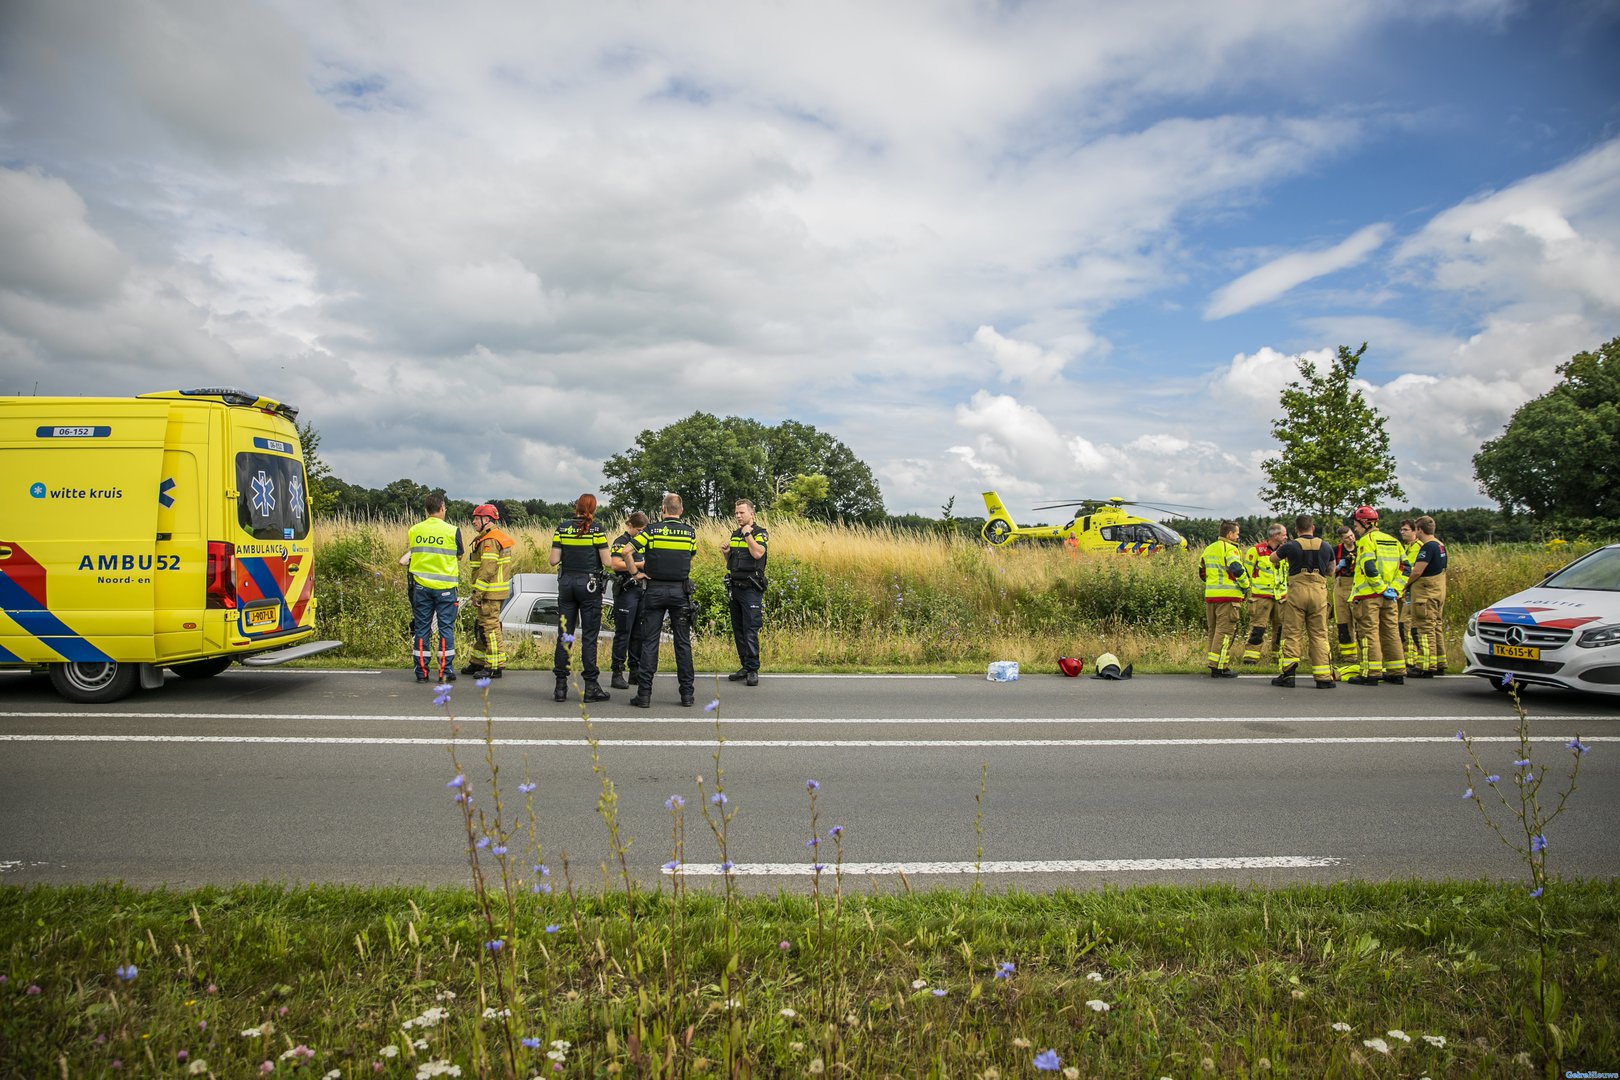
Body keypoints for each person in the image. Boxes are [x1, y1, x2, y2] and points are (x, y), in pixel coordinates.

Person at [629, 493, 699, 709]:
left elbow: (626, 550)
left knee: (650, 642)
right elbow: (691, 554)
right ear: (681, 510)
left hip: (655, 590)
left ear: (663, 509)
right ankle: (687, 694)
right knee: (682, 643)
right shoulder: (689, 533)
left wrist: (635, 573)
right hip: (680, 592)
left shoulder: (651, 530)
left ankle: (644, 695)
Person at [548, 493, 615, 703]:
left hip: (566, 584)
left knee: (564, 636)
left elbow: (553, 560)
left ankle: (560, 687)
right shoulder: (597, 529)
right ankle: (591, 687)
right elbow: (607, 562)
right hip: (589, 585)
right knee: (589, 637)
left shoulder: (562, 528)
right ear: (593, 509)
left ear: (576, 507)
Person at [400, 493, 463, 683]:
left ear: (426, 510)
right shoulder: (452, 531)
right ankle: (445, 671)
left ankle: (421, 673)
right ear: (442, 508)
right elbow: (459, 555)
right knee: (445, 629)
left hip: (421, 587)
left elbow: (414, 554)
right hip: (445, 587)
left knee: (422, 629)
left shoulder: (414, 530)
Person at [1269, 513, 1336, 689]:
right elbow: (1331, 570)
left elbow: (1272, 558)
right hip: (1318, 592)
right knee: (1319, 634)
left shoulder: (1291, 545)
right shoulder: (1326, 546)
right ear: (1312, 528)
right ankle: (1323, 677)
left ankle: (1288, 675)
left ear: (1296, 529)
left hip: (1297, 591)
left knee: (1292, 632)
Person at [1347, 505, 1407, 686]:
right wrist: (1395, 589)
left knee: (1368, 633)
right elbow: (1406, 567)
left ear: (1364, 523)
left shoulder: (1367, 540)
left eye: (1356, 525)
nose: (1355, 529)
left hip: (1369, 596)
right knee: (1391, 632)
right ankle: (1396, 671)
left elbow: (1369, 567)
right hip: (1390, 597)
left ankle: (1371, 672)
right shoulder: (1394, 541)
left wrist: (1380, 588)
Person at [462, 503, 513, 678]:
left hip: (489, 593)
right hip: (490, 592)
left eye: (476, 518)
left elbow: (487, 569)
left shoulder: (490, 540)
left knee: (490, 628)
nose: (473, 521)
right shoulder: (491, 537)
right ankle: (478, 662)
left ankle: (494, 666)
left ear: (487, 520)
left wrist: (478, 593)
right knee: (483, 627)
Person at [723, 498, 769, 686]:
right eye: (736, 513)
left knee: (750, 630)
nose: (738, 516)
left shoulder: (760, 533)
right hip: (735, 587)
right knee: (739, 630)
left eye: (742, 512)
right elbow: (731, 564)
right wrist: (726, 552)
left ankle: (753, 669)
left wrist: (748, 535)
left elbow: (758, 553)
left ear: (752, 513)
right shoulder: (735, 534)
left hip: (751, 589)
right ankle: (744, 665)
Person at [1199, 520, 1250, 678]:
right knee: (1225, 632)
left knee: (1214, 632)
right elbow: (1236, 569)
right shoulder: (1230, 549)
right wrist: (1245, 585)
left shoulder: (1208, 549)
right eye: (1237, 534)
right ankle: (1220, 667)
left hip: (1211, 597)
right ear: (1229, 534)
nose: (1238, 537)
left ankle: (1213, 663)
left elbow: (1202, 573)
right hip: (1228, 597)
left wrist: (1214, 584)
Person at [607, 511, 649, 690]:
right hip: (626, 590)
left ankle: (635, 671)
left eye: (643, 531)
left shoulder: (642, 542)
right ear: (630, 526)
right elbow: (615, 564)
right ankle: (617, 673)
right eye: (638, 530)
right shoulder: (621, 542)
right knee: (623, 632)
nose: (640, 534)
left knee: (638, 633)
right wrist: (641, 565)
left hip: (641, 590)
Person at [1407, 515, 1449, 677]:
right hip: (1438, 592)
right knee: (1436, 626)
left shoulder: (1427, 548)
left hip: (1425, 595)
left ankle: (1425, 666)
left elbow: (1417, 571)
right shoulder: (1440, 545)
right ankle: (1439, 661)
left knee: (1424, 629)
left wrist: (1405, 585)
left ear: (1419, 530)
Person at [1241, 523, 1288, 665]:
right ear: (1275, 535)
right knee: (1258, 629)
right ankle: (1250, 659)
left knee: (1280, 630)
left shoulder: (1286, 551)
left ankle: (1277, 659)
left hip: (1281, 598)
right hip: (1261, 598)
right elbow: (1246, 574)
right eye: (1284, 534)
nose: (1286, 537)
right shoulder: (1255, 551)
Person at [1331, 524, 1360, 681]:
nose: (1351, 538)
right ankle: (1348, 656)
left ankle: (1365, 653)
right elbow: (1330, 570)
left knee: (1360, 621)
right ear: (1341, 539)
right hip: (1341, 584)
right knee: (1343, 622)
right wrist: (1340, 565)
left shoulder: (1361, 546)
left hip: (1357, 585)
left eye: (1352, 535)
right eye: (1347, 537)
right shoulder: (1337, 550)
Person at [1397, 518, 1420, 652]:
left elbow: (1411, 570)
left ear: (1415, 531)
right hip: (1401, 590)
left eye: (1406, 530)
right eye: (1401, 530)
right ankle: (1406, 655)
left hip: (1411, 590)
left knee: (1406, 623)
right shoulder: (1404, 547)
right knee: (1400, 624)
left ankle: (1411, 657)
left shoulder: (1418, 547)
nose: (1402, 532)